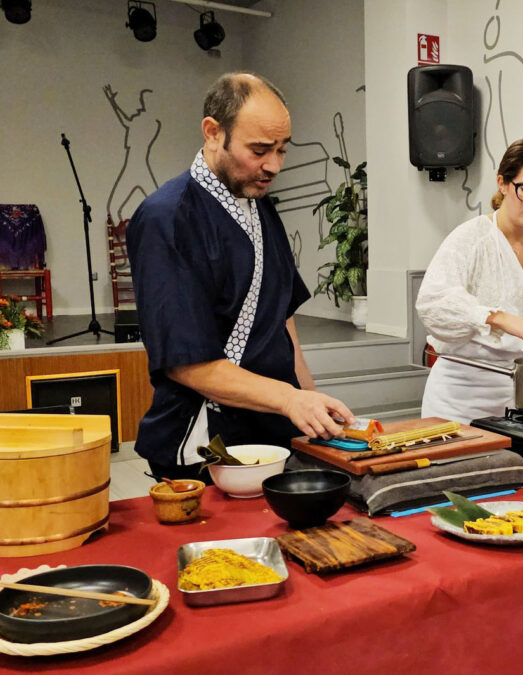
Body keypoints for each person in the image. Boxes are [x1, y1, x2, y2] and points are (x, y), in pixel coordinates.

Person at [127, 72, 354, 481]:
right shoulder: (168, 218)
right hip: (206, 440)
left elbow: (282, 323)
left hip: (273, 430)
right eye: (260, 149)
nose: (274, 165)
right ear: (213, 132)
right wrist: (289, 399)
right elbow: (187, 365)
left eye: (282, 150)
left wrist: (311, 402)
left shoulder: (258, 205)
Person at [417, 139, 523, 424]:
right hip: (459, 400)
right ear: (502, 183)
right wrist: (498, 317)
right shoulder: (471, 238)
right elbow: (433, 304)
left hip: (520, 399)